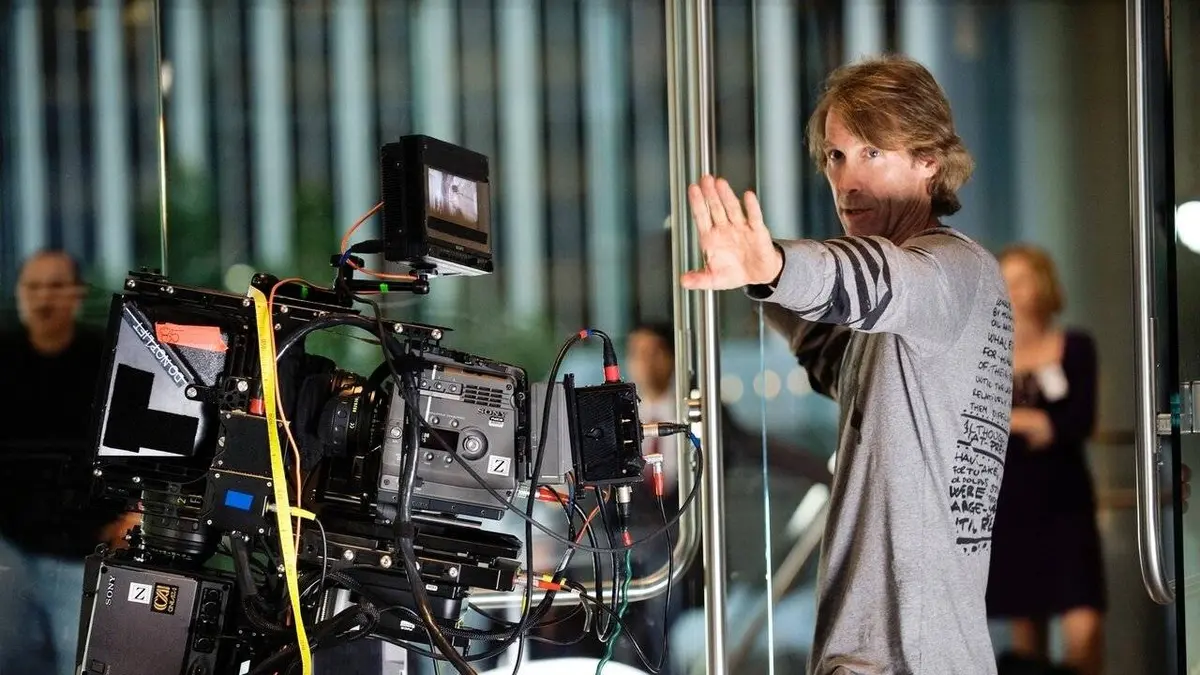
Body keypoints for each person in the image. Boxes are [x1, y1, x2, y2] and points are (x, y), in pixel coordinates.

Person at [680, 54, 1013, 674]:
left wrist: (773, 266)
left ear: (928, 160)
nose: (847, 179)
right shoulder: (908, 323)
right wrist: (762, 282)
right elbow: (840, 356)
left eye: (871, 153)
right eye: (836, 155)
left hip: (899, 658)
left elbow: (868, 279)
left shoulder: (951, 270)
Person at [0, 249, 137, 675]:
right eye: (34, 286)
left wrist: (133, 515)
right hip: (10, 546)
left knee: (77, 660)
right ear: (19, 293)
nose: (44, 297)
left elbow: (137, 444)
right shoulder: (4, 356)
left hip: (86, 546)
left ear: (77, 293)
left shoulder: (106, 359)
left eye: (56, 286)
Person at [985, 244, 1105, 675]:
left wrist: (1031, 423)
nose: (1014, 290)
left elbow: (1079, 421)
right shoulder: (990, 355)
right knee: (1026, 644)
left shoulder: (1075, 346)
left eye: (1022, 280)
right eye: (1006, 280)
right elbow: (979, 421)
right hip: (1011, 505)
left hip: (1066, 503)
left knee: (1085, 633)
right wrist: (1031, 421)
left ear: (1043, 284)